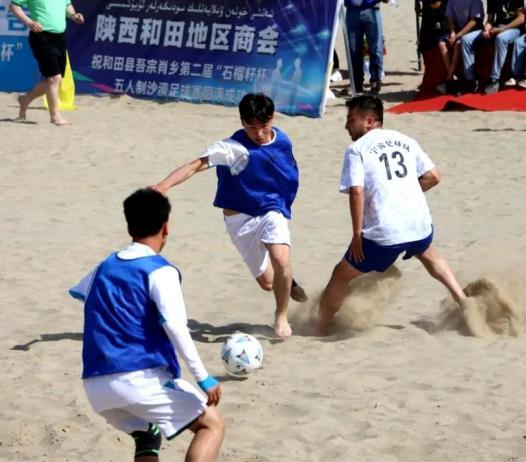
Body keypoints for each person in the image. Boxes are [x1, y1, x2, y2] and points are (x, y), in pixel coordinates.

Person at [70, 188, 224, 462]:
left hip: (95, 385)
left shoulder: (102, 267)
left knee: (147, 436)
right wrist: (203, 377)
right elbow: (176, 326)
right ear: (166, 227)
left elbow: (81, 293)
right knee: (211, 425)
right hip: (138, 379)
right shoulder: (160, 270)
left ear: (129, 227)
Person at [153, 93, 306, 338]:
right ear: (242, 122)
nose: (259, 133)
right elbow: (194, 165)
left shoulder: (283, 140)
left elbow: (287, 173)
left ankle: (281, 316)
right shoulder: (231, 148)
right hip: (240, 220)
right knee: (268, 283)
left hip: (271, 210)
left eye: (264, 125)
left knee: (281, 259)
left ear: (272, 118)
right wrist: (164, 185)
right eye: (251, 127)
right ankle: (287, 280)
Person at [316, 95, 471, 336]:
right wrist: (403, 193)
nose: (346, 125)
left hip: (384, 234)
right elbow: (434, 176)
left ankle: (319, 328)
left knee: (340, 274)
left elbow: (356, 192)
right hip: (420, 226)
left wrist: (357, 235)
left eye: (351, 119)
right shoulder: (406, 140)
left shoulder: (356, 149)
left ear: (369, 122)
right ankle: (463, 300)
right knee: (426, 252)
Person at [9, 0, 84, 125]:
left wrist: (73, 15)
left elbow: (67, 5)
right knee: (54, 78)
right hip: (41, 36)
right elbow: (14, 6)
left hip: (60, 38)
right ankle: (55, 116)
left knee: (57, 80)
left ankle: (25, 99)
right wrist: (30, 22)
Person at [466, 0, 526, 95]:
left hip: (514, 29)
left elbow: (521, 18)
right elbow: (490, 20)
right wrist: (486, 29)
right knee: (466, 40)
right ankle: (471, 80)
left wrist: (501, 29)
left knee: (501, 38)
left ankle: (495, 79)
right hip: (497, 28)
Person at [436, 0, 484, 94]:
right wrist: (452, 32)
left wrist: (457, 36)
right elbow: (450, 18)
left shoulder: (476, 1)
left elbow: (474, 22)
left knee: (458, 43)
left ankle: (449, 79)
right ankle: (451, 76)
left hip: (473, 30)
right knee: (441, 43)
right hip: (458, 30)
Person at [345, 0, 388, 95]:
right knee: (353, 49)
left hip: (371, 7)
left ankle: (375, 81)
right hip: (352, 9)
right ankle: (356, 83)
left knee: (375, 48)